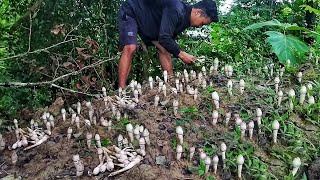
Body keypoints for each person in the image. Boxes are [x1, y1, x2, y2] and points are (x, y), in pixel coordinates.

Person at [117, 0, 219, 88]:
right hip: (132, 11)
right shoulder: (177, 9)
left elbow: (166, 42)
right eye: (203, 23)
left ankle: (171, 81)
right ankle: (122, 89)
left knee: (164, 48)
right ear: (198, 12)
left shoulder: (185, 20)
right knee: (130, 47)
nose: (201, 26)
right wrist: (182, 54)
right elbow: (164, 37)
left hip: (148, 22)